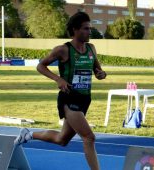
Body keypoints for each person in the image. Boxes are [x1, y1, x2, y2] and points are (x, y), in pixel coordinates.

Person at [15, 12, 106, 170]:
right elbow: (40, 66)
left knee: (61, 139)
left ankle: (28, 134)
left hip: (85, 99)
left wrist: (101, 74)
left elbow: (98, 70)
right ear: (75, 30)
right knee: (89, 137)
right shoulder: (63, 50)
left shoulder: (91, 49)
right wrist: (58, 79)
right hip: (69, 99)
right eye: (85, 29)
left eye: (90, 28)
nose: (89, 32)